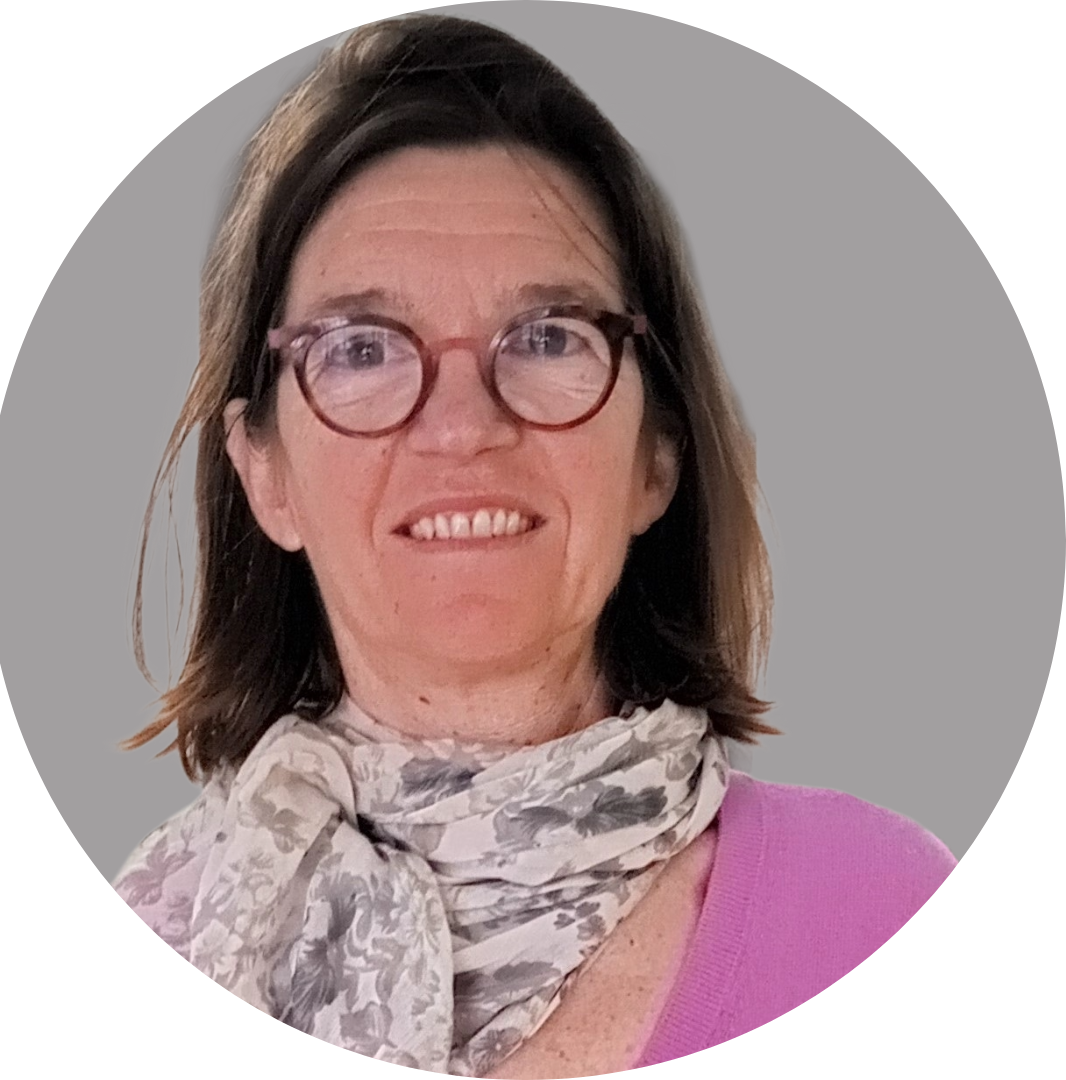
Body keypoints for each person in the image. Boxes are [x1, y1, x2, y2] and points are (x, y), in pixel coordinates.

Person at [113, 14, 956, 1075]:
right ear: (264, 475)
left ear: (657, 455)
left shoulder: (877, 906)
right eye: (362, 348)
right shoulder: (165, 926)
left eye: (548, 336)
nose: (463, 424)